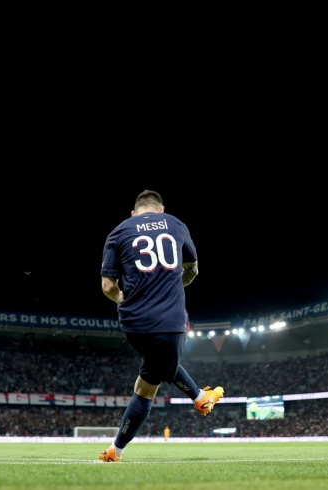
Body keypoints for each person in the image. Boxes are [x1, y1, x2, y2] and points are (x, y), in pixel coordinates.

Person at [98, 190, 224, 462]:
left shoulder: (119, 231)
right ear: (161, 209)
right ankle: (200, 398)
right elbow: (193, 270)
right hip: (171, 322)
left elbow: (108, 286)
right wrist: (173, 286)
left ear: (134, 213)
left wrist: (122, 299)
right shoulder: (176, 224)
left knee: (147, 382)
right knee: (157, 371)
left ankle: (115, 450)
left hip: (134, 325)